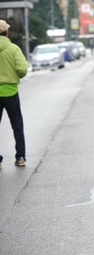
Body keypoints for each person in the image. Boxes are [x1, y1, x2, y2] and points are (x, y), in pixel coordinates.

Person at [0, 19, 29, 168]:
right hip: (11, 93)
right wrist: (15, 76)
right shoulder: (13, 49)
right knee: (17, 126)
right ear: (6, 32)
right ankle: (20, 158)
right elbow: (23, 69)